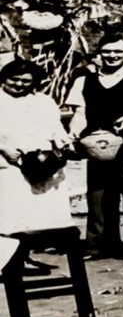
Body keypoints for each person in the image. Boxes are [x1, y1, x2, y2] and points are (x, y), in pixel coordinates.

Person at [65, 33, 123, 259]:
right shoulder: (84, 80)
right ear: (99, 54)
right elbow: (80, 113)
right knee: (99, 198)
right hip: (98, 146)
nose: (112, 55)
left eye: (117, 51)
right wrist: (74, 133)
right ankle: (99, 246)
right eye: (107, 51)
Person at [0, 60, 75, 236]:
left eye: (26, 81)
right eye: (14, 79)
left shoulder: (43, 101)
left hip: (44, 164)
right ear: (4, 78)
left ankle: (37, 246)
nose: (19, 84)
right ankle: (12, 249)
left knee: (43, 213)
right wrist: (3, 149)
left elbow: (56, 128)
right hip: (9, 164)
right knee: (12, 212)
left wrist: (62, 141)